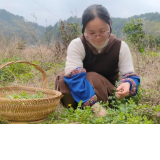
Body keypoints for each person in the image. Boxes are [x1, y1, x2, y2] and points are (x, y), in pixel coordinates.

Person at [54, 4, 141, 117]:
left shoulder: (120, 47)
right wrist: (93, 104)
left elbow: (130, 76)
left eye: (102, 31)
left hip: (105, 92)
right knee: (63, 79)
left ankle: (100, 108)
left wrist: (127, 85)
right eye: (91, 33)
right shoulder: (77, 45)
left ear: (110, 25)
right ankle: (81, 109)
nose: (98, 37)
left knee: (92, 77)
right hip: (82, 91)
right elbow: (74, 78)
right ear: (84, 29)